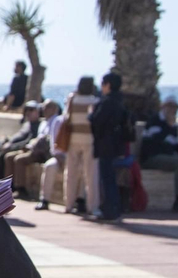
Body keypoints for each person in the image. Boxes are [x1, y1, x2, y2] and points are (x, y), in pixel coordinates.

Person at [89, 71, 130, 221]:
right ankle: (115, 209)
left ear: (108, 85)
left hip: (106, 146)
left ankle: (110, 211)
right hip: (117, 145)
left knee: (108, 179)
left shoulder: (107, 102)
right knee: (112, 179)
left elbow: (97, 121)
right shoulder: (121, 102)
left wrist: (91, 115)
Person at [61, 76, 100, 215]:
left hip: (73, 139)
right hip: (89, 140)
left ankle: (68, 204)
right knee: (91, 175)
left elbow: (66, 117)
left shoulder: (73, 100)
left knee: (70, 173)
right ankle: (93, 206)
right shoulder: (94, 101)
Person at [0, 98, 42, 183]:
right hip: (9, 144)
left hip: (18, 148)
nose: (28, 112)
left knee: (1, 156)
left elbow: (28, 141)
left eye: (31, 110)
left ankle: (1, 182)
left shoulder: (37, 126)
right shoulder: (26, 124)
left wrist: (11, 146)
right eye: (27, 110)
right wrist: (7, 141)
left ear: (37, 112)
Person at [33, 100, 69, 210]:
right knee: (49, 166)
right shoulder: (58, 121)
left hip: (74, 158)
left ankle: (80, 201)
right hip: (60, 157)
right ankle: (44, 199)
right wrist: (59, 157)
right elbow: (55, 145)